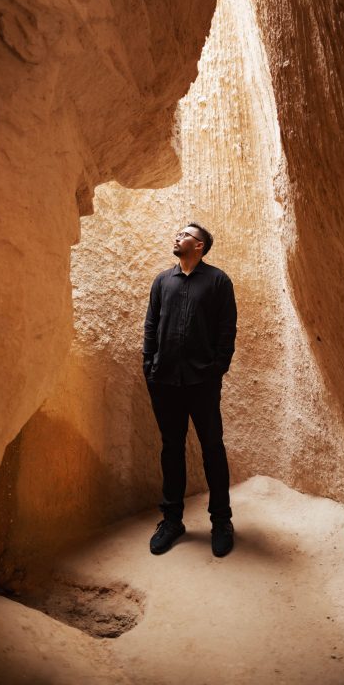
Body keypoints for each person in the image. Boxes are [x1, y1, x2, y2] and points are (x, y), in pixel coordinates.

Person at [143, 222, 237, 557]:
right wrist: (149, 366)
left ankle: (221, 521)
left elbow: (227, 329)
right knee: (171, 449)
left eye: (184, 235)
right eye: (178, 233)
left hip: (202, 382)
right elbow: (151, 324)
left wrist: (216, 369)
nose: (177, 237)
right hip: (165, 381)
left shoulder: (218, 281)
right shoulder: (162, 281)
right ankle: (172, 521)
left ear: (199, 246)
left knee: (213, 448)